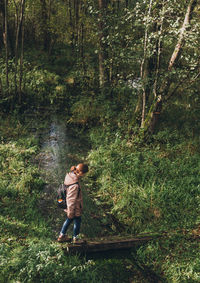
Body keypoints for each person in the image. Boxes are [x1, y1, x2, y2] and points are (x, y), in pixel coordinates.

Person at [57, 163, 89, 243]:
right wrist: (70, 212)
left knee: (69, 220)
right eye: (84, 174)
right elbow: (71, 199)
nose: (84, 176)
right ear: (81, 172)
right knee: (77, 220)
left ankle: (62, 235)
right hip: (74, 207)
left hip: (71, 206)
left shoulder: (70, 176)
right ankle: (76, 238)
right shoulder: (74, 185)